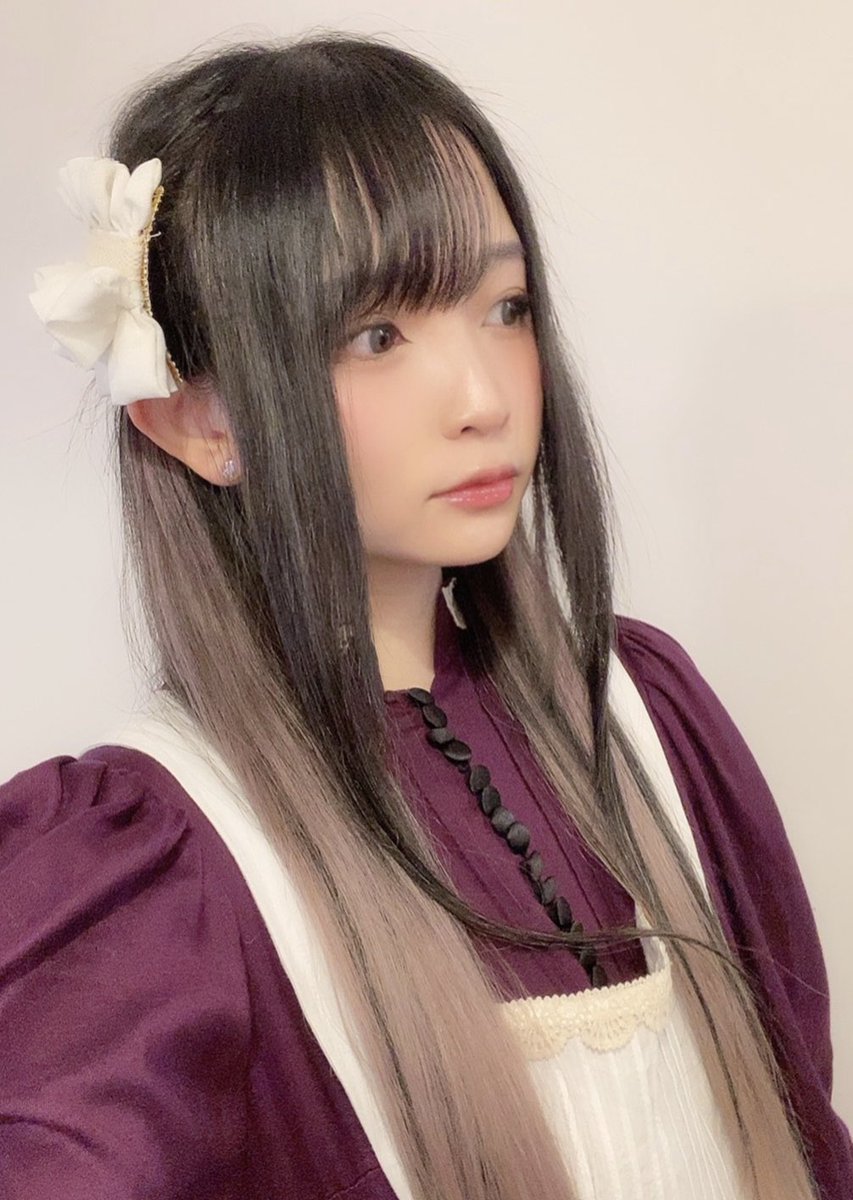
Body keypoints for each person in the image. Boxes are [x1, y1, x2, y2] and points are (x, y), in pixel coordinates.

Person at [4, 30, 851, 1200]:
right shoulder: (158, 871)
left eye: (504, 307)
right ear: (199, 421)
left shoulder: (647, 721)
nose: (484, 397)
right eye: (378, 336)